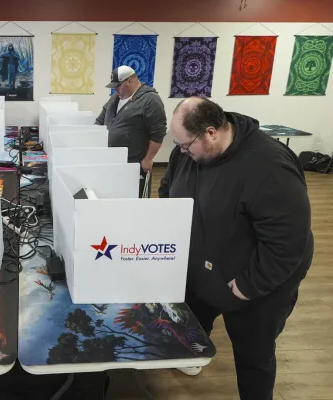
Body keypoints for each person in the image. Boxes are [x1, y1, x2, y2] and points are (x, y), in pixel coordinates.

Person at [158, 97, 313, 400]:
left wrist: (250, 284)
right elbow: (169, 191)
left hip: (252, 283)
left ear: (211, 132)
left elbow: (287, 243)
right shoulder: (188, 153)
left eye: (186, 145)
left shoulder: (270, 166)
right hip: (206, 267)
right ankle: (193, 357)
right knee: (192, 322)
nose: (181, 152)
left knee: (254, 356)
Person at [95, 66, 167, 197]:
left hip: (134, 163)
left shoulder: (150, 100)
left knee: (135, 201)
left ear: (129, 81)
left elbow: (158, 132)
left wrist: (149, 158)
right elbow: (100, 120)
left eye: (118, 86)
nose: (115, 89)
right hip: (113, 161)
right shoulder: (115, 98)